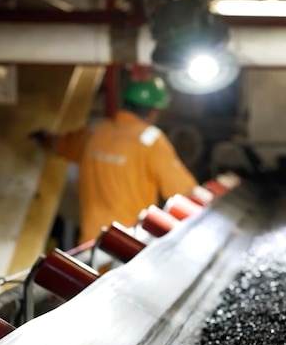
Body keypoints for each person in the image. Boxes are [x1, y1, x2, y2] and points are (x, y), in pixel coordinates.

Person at [37, 77, 198, 244]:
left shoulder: (95, 131)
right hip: (129, 244)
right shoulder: (150, 140)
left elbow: (62, 144)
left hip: (90, 243)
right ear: (153, 111)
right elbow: (183, 192)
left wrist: (43, 138)